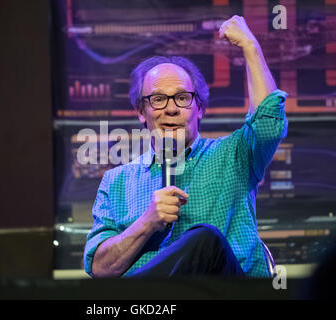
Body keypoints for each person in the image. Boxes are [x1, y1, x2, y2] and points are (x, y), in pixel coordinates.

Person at [83, 16, 288, 278]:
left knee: (205, 240)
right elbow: (100, 269)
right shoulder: (116, 182)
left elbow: (268, 123)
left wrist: (250, 45)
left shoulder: (235, 155)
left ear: (199, 108)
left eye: (182, 98)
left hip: (225, 296)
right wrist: (146, 224)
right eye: (158, 99)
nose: (170, 109)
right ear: (141, 112)